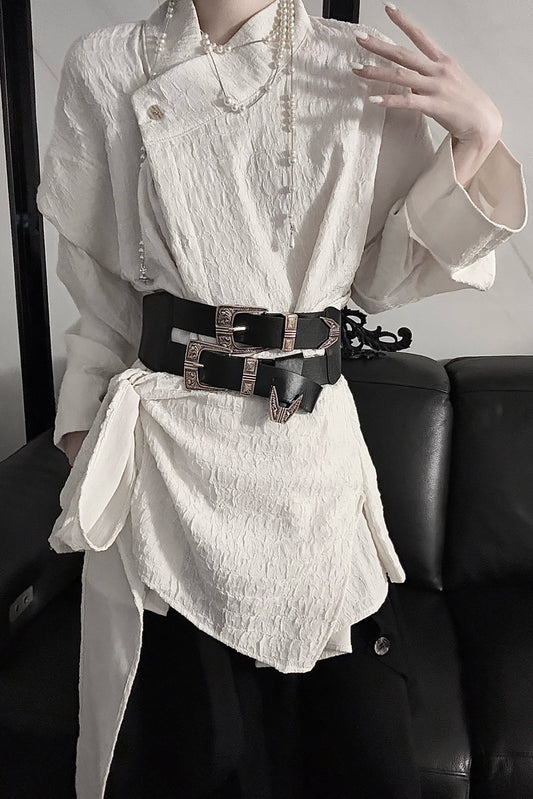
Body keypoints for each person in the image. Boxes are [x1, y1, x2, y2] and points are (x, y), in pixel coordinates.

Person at [36, 1, 527, 797]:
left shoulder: (355, 63)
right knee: (182, 754)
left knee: (357, 751)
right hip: (166, 459)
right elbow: (102, 298)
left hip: (309, 457)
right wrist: (79, 436)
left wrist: (475, 142)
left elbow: (380, 279)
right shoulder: (107, 63)